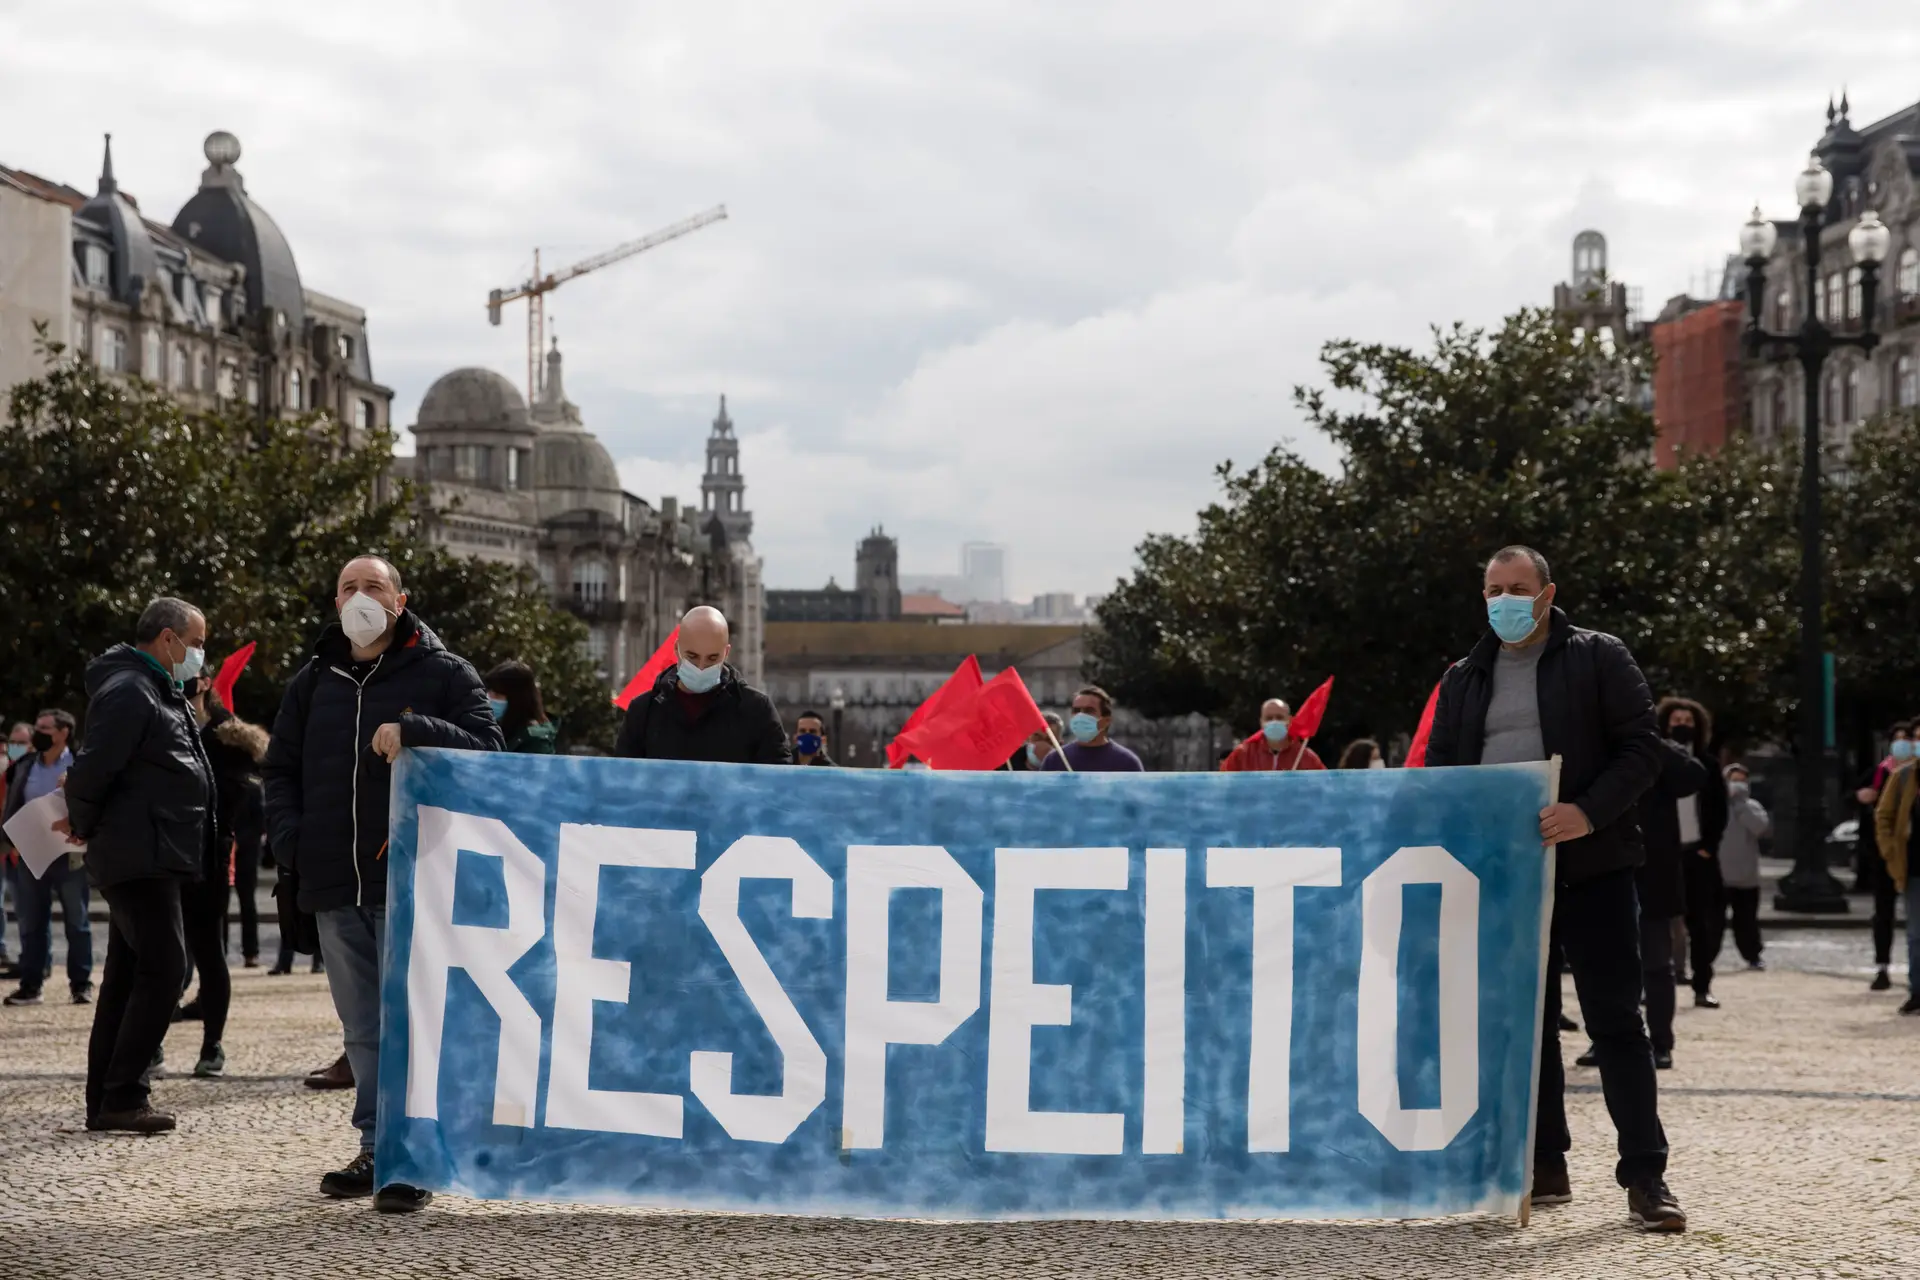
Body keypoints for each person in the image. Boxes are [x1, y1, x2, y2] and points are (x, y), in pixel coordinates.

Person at [1424, 546, 1682, 1231]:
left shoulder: (1599, 657)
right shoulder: (1464, 677)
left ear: (1547, 594)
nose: (1504, 600)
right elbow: (1443, 773)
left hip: (1594, 867)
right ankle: (1544, 1164)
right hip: (1504, 877)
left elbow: (1643, 749)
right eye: (1492, 589)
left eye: (1517, 588)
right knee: (1523, 1028)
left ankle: (1646, 1177)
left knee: (1617, 1023)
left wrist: (1585, 812)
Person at [263, 554, 503, 1211]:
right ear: (335, 601)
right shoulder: (312, 683)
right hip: (336, 883)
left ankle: (413, 1158)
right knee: (363, 1028)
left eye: (373, 587)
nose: (359, 596)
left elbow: (492, 752)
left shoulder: (446, 674)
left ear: (401, 600)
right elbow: (279, 772)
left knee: (416, 1022)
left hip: (418, 882)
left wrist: (419, 731)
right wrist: (292, 841)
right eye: (348, 587)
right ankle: (377, 1148)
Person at [62, 597, 217, 1134]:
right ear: (168, 639)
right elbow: (92, 770)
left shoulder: (154, 688)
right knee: (166, 968)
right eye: (197, 643)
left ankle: (108, 1100)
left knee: (127, 976)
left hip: (152, 848)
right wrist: (81, 823)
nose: (201, 654)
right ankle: (125, 1092)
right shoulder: (131, 689)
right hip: (138, 851)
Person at [173, 677, 270, 1077]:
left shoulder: (228, 740)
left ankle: (212, 1044)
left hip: (208, 854)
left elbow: (232, 798)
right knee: (159, 954)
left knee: (207, 949)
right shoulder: (164, 723)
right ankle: (149, 1043)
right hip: (161, 853)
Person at [613, 606, 790, 764]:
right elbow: (622, 779)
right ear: (677, 649)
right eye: (692, 657)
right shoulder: (644, 711)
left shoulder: (757, 710)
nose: (701, 667)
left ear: (726, 653)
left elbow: (776, 784)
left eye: (712, 658)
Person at [1634, 705, 1709, 1066]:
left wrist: (1651, 740)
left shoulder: (1657, 750)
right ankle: (1608, 1039)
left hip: (1654, 872)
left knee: (1656, 964)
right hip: (1605, 868)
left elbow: (1694, 776)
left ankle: (1661, 1041)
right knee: (1608, 966)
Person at [3, 710, 92, 1006]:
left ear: (64, 732)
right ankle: (31, 985)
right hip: (31, 853)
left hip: (70, 854)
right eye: (37, 727)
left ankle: (81, 985)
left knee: (77, 922)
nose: (38, 733)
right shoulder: (25, 765)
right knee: (31, 922)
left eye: (45, 728)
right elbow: (14, 804)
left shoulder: (81, 764)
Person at [1658, 698, 1728, 1008]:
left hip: (1696, 854)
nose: (1682, 724)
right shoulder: (1654, 759)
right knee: (1655, 923)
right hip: (1662, 854)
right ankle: (1653, 985)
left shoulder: (1709, 764)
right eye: (1676, 719)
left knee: (1703, 923)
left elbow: (1719, 810)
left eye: (1688, 719)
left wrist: (1707, 848)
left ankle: (1703, 986)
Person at [1857, 721, 1911, 992]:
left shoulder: (1912, 774)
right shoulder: (1880, 772)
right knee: (1884, 912)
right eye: (1898, 739)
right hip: (1884, 852)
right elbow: (1878, 812)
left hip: (1911, 851)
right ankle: (1882, 966)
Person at [1872, 739, 1920, 1016]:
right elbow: (1884, 816)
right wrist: (1890, 851)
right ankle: (1918, 990)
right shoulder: (1903, 776)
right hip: (1914, 866)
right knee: (1916, 934)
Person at [1717, 762, 1770, 970]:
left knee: (1747, 921)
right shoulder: (1714, 805)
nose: (1737, 785)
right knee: (1713, 922)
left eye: (1741, 780)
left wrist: (1740, 805)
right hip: (1719, 875)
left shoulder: (1752, 806)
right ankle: (1706, 958)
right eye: (1733, 780)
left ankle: (1753, 955)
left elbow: (1760, 827)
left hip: (1746, 877)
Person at [1041, 686, 1145, 772]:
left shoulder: (1127, 762)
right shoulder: (1054, 760)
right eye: (1076, 710)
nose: (1080, 716)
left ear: (1106, 721)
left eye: (1089, 711)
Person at [0, 722, 30, 979]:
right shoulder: (8, 771)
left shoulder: (31, 771)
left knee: (29, 912)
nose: (15, 747)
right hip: (6, 850)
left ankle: (33, 963)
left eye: (21, 742)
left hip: (25, 851)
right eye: (13, 742)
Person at [1218, 699, 1323, 772]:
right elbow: (1222, 785)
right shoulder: (1243, 754)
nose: (1274, 722)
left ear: (1290, 721)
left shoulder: (1305, 757)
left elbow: (1326, 787)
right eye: (1269, 718)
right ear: (1261, 722)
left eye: (1279, 717)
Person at [483, 661, 558, 755]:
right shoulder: (495, 727)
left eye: (497, 695)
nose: (489, 698)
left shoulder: (536, 742)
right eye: (489, 691)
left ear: (517, 700)